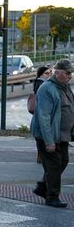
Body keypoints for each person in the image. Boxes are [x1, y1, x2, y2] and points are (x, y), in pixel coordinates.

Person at [30, 59, 74, 208]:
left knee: (63, 161)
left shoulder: (65, 87)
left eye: (71, 73)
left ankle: (43, 186)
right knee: (54, 164)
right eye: (67, 73)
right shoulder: (47, 88)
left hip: (62, 135)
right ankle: (52, 196)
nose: (70, 76)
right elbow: (44, 116)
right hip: (48, 135)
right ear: (58, 72)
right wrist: (49, 141)